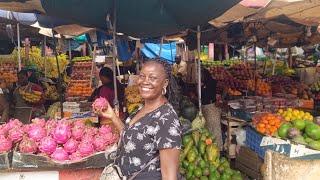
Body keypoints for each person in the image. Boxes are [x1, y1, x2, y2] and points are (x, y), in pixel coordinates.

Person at [100, 60, 182, 179]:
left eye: (152, 77)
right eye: (142, 76)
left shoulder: (166, 119)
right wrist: (112, 116)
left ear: (165, 83)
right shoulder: (140, 109)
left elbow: (169, 176)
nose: (145, 81)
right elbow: (131, 136)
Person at [200, 68, 223, 151]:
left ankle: (217, 149)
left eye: (201, 75)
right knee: (208, 130)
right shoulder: (203, 84)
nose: (200, 77)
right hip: (205, 108)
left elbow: (224, 88)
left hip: (212, 108)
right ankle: (210, 149)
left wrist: (220, 99)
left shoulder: (213, 82)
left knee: (214, 130)